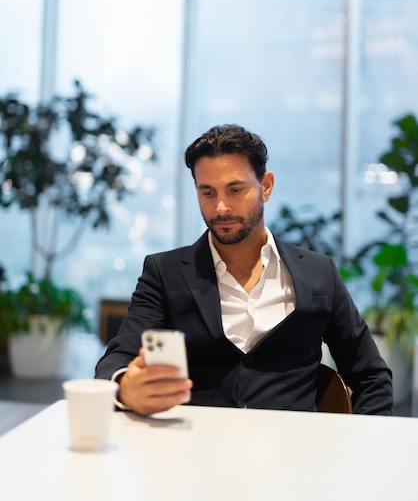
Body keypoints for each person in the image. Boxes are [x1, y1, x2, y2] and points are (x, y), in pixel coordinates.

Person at [95, 124, 393, 415]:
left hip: (292, 452)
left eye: (235, 189)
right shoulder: (165, 272)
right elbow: (118, 358)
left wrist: (363, 448)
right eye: (207, 193)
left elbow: (371, 377)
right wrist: (124, 385)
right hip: (194, 450)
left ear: (265, 186)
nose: (221, 207)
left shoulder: (318, 273)